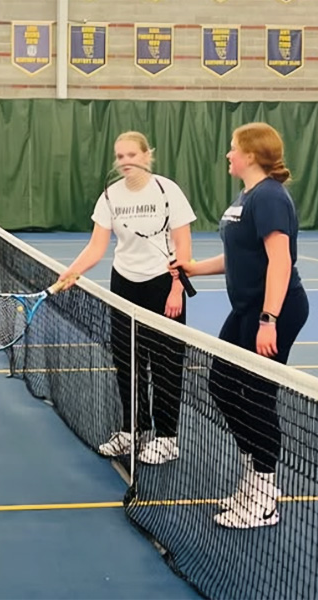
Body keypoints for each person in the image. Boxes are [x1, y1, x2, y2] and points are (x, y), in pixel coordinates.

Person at [172, 122, 308, 529]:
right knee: (223, 384)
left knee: (258, 396)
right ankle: (255, 472)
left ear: (250, 154)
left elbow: (280, 261)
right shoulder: (246, 197)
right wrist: (194, 267)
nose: (228, 154)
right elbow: (241, 258)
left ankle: (264, 495)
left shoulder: (268, 197)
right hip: (247, 307)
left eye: (233, 149)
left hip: (273, 310)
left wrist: (270, 319)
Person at [59, 131, 196, 465]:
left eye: (132, 155)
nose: (125, 162)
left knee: (165, 364)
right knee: (127, 361)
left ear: (147, 155)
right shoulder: (109, 196)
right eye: (120, 157)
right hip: (124, 284)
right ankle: (132, 429)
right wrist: (71, 272)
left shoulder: (168, 191)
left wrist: (177, 287)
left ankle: (167, 438)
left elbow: (184, 246)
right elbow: (96, 246)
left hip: (164, 284)